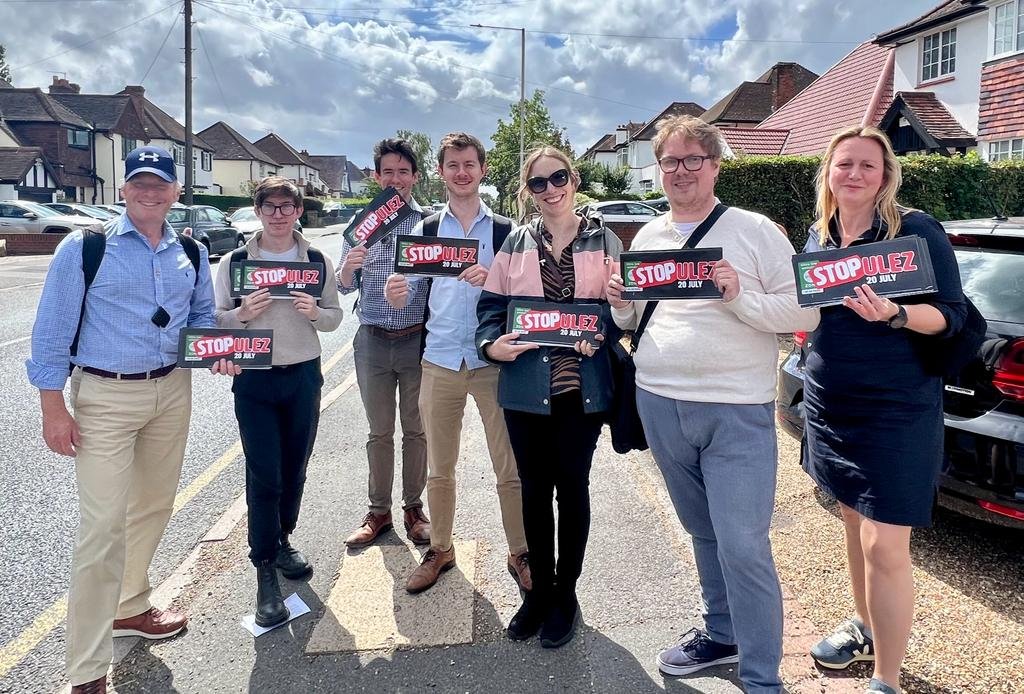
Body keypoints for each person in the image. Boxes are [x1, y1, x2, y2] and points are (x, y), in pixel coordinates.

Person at [606, 116, 818, 693]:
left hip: (736, 411)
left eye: (692, 160)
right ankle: (720, 632)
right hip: (660, 401)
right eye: (670, 162)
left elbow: (804, 313)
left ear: (716, 165)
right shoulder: (647, 237)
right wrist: (621, 302)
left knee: (744, 544)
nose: (680, 172)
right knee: (702, 531)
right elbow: (632, 322)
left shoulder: (755, 232)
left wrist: (740, 297)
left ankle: (761, 678)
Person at [26, 146, 216, 694]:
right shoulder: (85, 247)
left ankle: (130, 606)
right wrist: (52, 405)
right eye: (140, 183)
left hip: (170, 392)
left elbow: (200, 320)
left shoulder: (191, 251)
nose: (149, 192)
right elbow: (51, 331)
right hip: (103, 397)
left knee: (153, 507)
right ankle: (86, 669)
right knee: (102, 529)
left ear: (176, 192)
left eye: (160, 184)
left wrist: (220, 350)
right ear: (124, 189)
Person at [800, 127, 967, 694]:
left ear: (886, 176)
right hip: (831, 402)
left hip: (896, 407)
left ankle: (887, 681)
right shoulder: (819, 237)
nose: (855, 174)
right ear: (828, 172)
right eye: (844, 163)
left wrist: (896, 313)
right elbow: (807, 307)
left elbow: (953, 316)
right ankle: (865, 626)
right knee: (850, 518)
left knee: (885, 542)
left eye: (868, 166)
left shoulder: (915, 231)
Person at [476, 145, 622, 648]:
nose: (550, 189)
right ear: (528, 191)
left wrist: (599, 331)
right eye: (538, 183)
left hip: (580, 391)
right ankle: (536, 594)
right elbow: (491, 307)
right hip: (524, 391)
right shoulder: (515, 242)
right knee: (534, 492)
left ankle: (566, 594)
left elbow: (620, 310)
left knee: (572, 488)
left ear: (574, 179)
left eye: (557, 177)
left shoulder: (604, 239)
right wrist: (490, 344)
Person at [383, 132, 531, 596]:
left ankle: (520, 551)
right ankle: (441, 549)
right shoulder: (426, 231)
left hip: (493, 362)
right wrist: (395, 292)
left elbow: (527, 293)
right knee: (439, 468)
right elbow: (403, 287)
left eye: (470, 164)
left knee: (510, 467)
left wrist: (495, 281)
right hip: (440, 360)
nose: (462, 172)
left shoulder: (508, 231)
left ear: (482, 170)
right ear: (441, 172)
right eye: (453, 165)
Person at [212, 176, 343, 627]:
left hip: (303, 374)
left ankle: (283, 539)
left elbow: (334, 316)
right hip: (255, 378)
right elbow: (216, 320)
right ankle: (264, 567)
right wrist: (241, 315)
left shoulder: (316, 260)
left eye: (288, 206)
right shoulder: (235, 262)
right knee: (264, 474)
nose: (280, 214)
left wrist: (316, 314)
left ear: (298, 211)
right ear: (259, 210)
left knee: (295, 468)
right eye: (271, 206)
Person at [337, 138, 431, 548]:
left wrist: (412, 289)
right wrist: (345, 271)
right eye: (387, 172)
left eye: (403, 172)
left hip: (416, 340)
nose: (395, 179)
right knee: (379, 432)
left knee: (417, 430)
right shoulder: (359, 225)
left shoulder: (429, 224)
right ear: (376, 176)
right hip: (372, 340)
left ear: (415, 177)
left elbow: (439, 277)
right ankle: (379, 511)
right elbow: (342, 289)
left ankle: (414, 509)